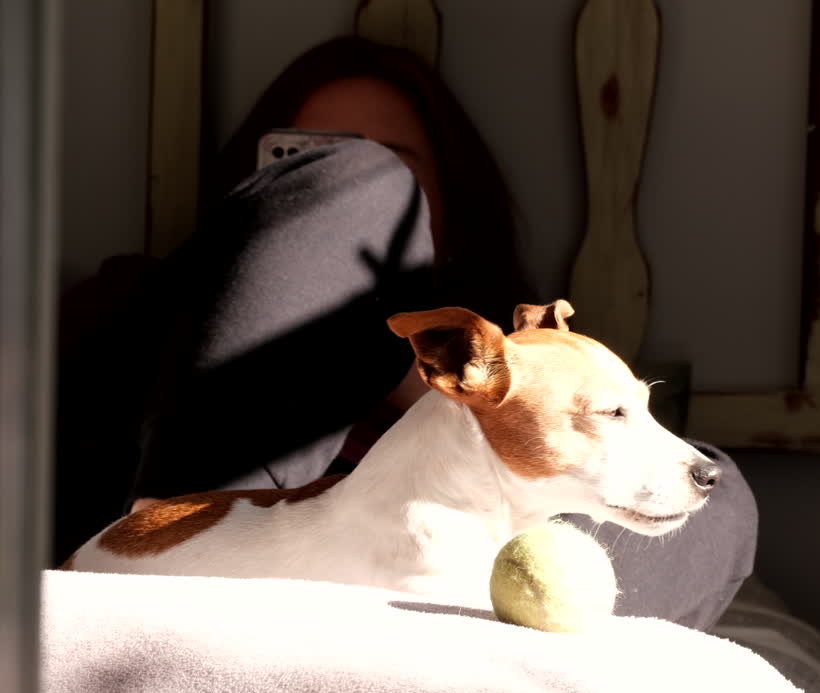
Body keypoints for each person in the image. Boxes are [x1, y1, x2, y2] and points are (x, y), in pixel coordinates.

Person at [53, 36, 756, 630]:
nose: (341, 172)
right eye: (299, 160)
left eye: (402, 166)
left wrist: (436, 398)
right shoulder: (133, 303)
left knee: (723, 498)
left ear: (445, 211)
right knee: (357, 185)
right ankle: (181, 543)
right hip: (162, 537)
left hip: (456, 545)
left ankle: (507, 610)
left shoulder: (513, 366)